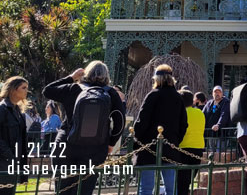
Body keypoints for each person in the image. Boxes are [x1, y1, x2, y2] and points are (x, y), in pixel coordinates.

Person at [43, 61, 125, 195]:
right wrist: (111, 143)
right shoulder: (110, 93)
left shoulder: (72, 88)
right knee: (85, 188)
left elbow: (47, 91)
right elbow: (120, 120)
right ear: (106, 76)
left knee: (63, 188)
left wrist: (71, 77)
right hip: (95, 148)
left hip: (66, 143)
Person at [133, 64, 188, 195]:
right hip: (170, 147)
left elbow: (141, 121)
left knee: (146, 189)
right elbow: (183, 124)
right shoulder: (178, 98)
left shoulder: (153, 95)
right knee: (171, 189)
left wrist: (137, 141)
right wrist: (175, 140)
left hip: (149, 147)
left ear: (156, 79)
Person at [0, 77, 29, 195]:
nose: (27, 91)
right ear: (13, 90)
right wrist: (9, 155)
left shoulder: (18, 111)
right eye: (24, 88)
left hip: (14, 162)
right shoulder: (2, 109)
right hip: (3, 162)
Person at [176, 89, 205, 195]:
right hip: (198, 149)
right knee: (187, 182)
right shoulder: (200, 113)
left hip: (183, 148)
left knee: (180, 183)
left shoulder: (180, 113)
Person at [202, 86, 230, 151]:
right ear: (212, 93)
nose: (217, 93)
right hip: (211, 133)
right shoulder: (209, 103)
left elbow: (224, 115)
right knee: (211, 155)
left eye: (219, 92)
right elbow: (203, 114)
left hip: (222, 134)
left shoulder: (226, 102)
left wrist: (218, 125)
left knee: (219, 154)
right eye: (215, 92)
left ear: (222, 93)